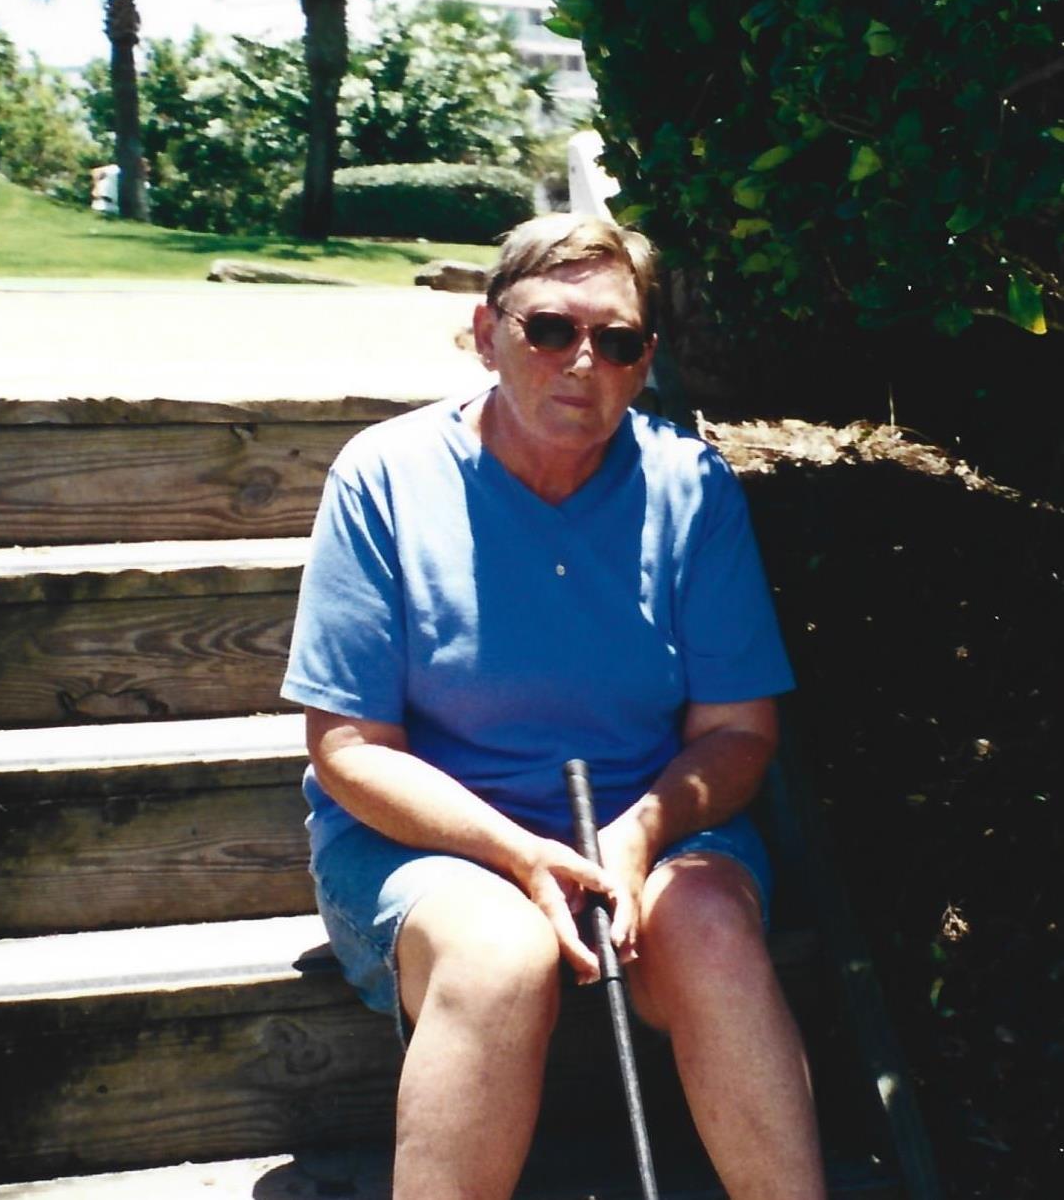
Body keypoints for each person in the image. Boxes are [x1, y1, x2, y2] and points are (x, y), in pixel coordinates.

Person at [281, 214, 825, 1199]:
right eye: (548, 329)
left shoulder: (689, 484)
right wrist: (518, 855)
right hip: (430, 845)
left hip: (647, 831)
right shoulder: (384, 475)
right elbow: (350, 748)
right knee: (500, 952)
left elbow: (739, 733)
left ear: (644, 362)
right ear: (485, 333)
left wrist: (638, 835)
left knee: (707, 926)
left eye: (616, 341)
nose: (582, 362)